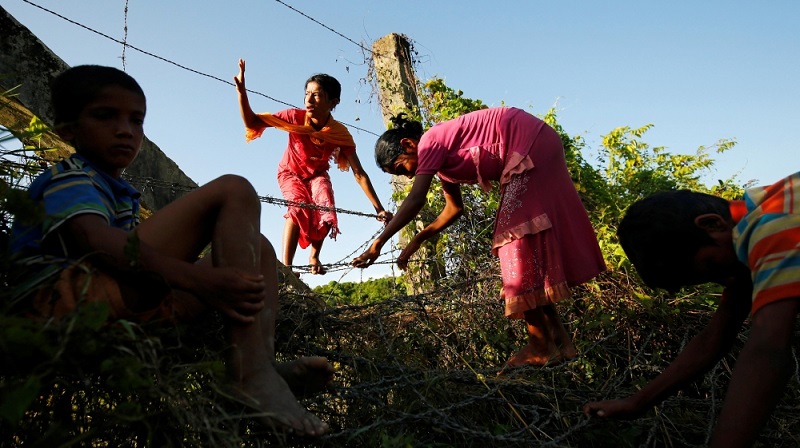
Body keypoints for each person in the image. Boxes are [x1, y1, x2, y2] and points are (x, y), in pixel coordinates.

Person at [9, 65, 334, 437]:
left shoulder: (117, 191)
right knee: (234, 189)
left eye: (136, 120)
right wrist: (198, 279)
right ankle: (250, 375)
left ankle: (259, 360)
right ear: (67, 130)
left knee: (258, 247)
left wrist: (204, 280)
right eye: (105, 116)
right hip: (61, 306)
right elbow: (96, 242)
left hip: (120, 313)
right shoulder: (70, 176)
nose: (125, 130)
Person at [351, 107, 606, 369]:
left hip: (527, 143)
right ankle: (563, 344)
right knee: (526, 247)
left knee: (512, 240)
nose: (409, 176)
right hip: (536, 142)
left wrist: (377, 244)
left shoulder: (430, 141)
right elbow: (453, 209)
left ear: (407, 144)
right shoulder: (441, 163)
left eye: (401, 168)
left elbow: (416, 199)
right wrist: (419, 238)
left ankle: (540, 346)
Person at [582, 175, 800, 447]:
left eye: (711, 269)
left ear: (712, 224)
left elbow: (767, 349)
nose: (724, 282)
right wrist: (637, 402)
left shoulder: (773, 227)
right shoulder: (757, 219)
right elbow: (715, 337)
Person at [234, 59, 392, 275]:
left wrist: (379, 209)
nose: (308, 99)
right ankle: (286, 269)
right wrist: (242, 92)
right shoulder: (294, 118)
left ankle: (314, 256)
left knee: (326, 205)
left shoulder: (339, 133)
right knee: (298, 207)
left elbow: (359, 173)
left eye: (316, 95)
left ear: (332, 102)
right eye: (307, 93)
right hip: (290, 173)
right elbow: (252, 123)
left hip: (317, 174)